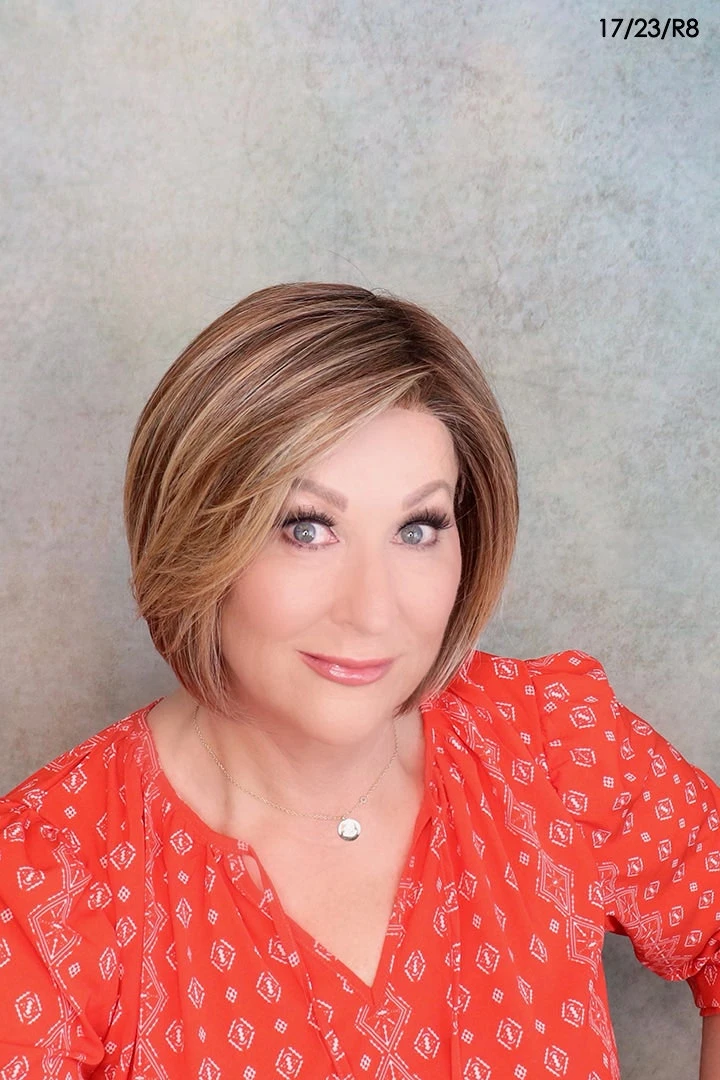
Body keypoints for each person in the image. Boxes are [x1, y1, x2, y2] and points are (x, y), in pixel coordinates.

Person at [0, 282, 718, 1080]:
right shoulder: (48, 884)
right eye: (307, 528)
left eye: (418, 528)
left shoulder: (548, 742)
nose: (374, 611)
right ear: (197, 534)